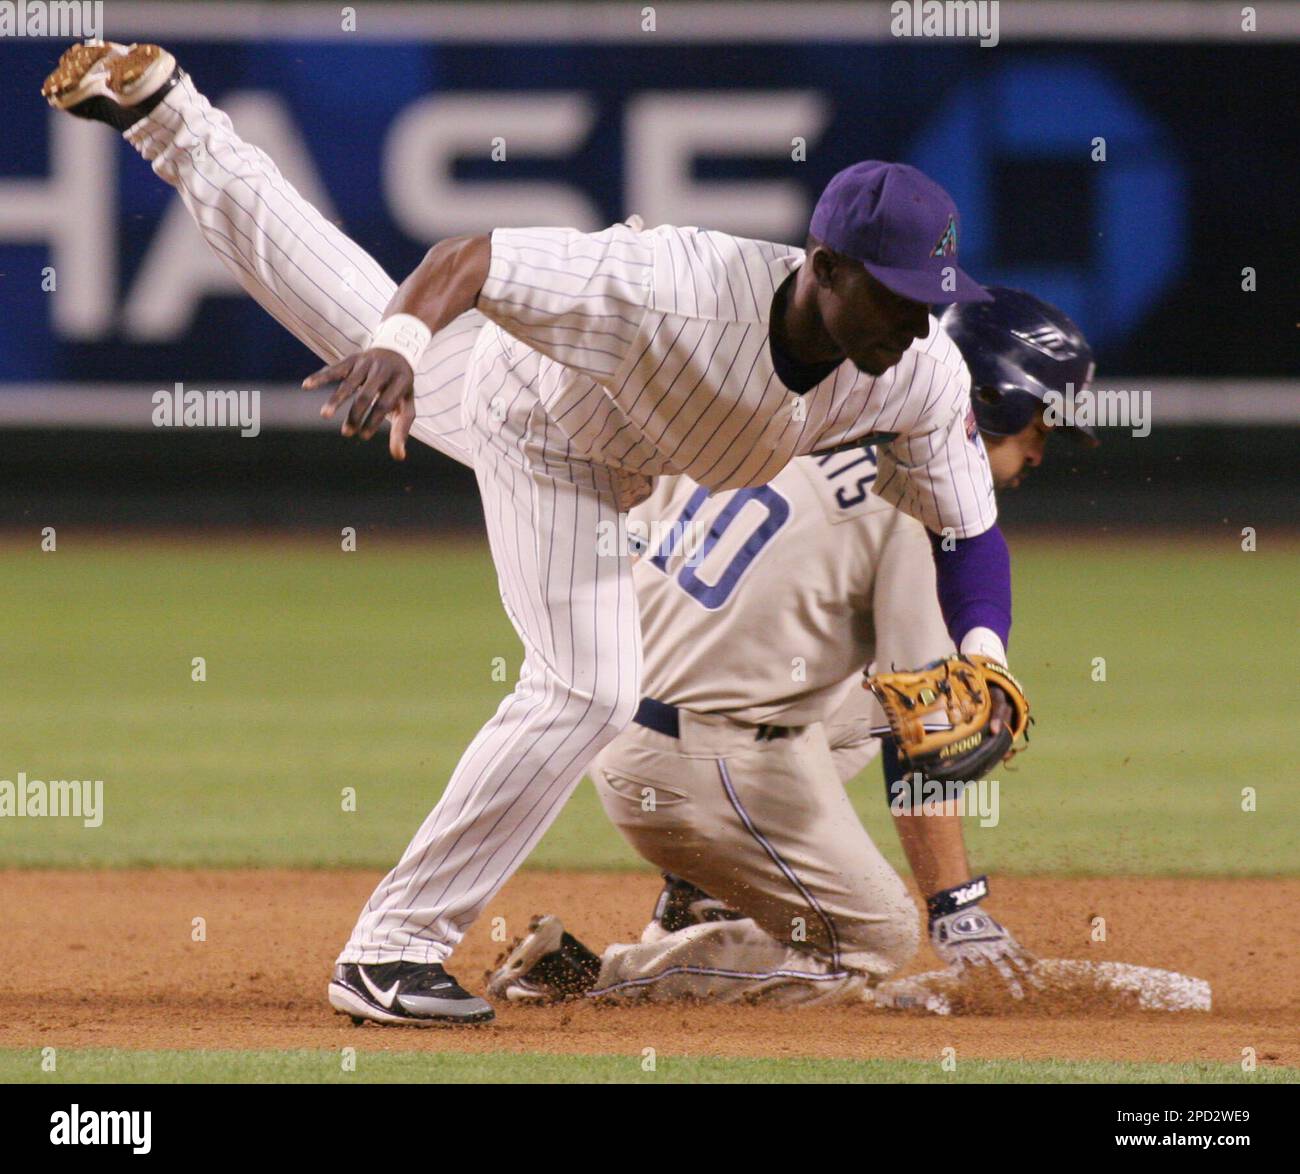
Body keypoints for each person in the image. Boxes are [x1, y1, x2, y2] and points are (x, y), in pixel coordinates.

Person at [44, 41, 1019, 1027]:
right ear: (824, 267)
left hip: (620, 449)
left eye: (929, 297)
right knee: (590, 683)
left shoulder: (917, 369)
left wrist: (983, 649)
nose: (915, 315)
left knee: (336, 290)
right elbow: (464, 260)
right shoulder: (667, 283)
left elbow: (967, 530)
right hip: (545, 435)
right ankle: (389, 953)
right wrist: (400, 344)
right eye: (894, 292)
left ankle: (169, 114)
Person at [485, 289, 1096, 1006]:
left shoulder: (796, 408)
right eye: (1037, 420)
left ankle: (701, 893)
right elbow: (924, 735)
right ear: (988, 400)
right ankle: (585, 980)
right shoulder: (915, 511)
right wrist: (954, 904)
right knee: (877, 941)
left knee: (863, 703)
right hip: (695, 767)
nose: (1040, 445)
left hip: (620, 703)